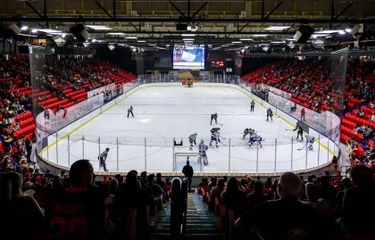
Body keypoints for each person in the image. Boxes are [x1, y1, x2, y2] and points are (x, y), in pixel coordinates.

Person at [235, 172, 322, 240]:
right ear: (300, 192)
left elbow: (239, 224)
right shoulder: (309, 211)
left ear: (279, 189)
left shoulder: (265, 208)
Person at [44, 160, 106, 240]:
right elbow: (102, 229)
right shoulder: (95, 199)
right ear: (86, 177)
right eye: (91, 173)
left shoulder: (53, 197)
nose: (93, 175)